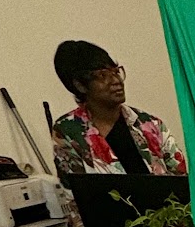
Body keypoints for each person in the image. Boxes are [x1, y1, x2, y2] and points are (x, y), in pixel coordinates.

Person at [50, 40, 187, 177]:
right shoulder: (68, 131)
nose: (116, 81)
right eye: (103, 75)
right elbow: (73, 187)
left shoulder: (149, 124)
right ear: (80, 85)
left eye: (116, 72)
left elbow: (183, 177)